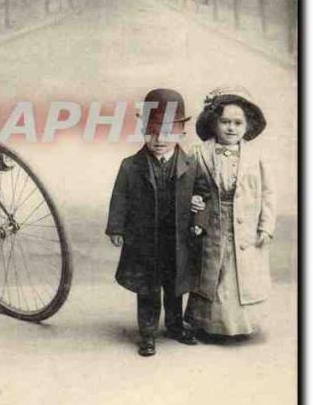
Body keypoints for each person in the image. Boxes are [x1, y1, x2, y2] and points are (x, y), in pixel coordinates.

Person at [105, 88, 199, 357]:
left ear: (181, 133)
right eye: (152, 131)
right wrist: (116, 228)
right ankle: (147, 334)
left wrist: (198, 218)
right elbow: (119, 198)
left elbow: (202, 194)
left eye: (167, 132)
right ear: (143, 130)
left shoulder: (191, 165)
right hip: (144, 241)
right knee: (147, 288)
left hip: (177, 239)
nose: (159, 139)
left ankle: (174, 326)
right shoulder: (130, 166)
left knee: (174, 286)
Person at [185, 86, 275, 340]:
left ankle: (242, 325)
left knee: (240, 274)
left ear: (247, 126)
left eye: (238, 123)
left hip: (245, 226)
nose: (231, 128)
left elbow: (268, 193)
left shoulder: (256, 157)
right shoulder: (199, 152)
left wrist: (266, 225)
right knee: (215, 271)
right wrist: (193, 200)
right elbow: (189, 186)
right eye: (225, 122)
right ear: (214, 123)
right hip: (212, 223)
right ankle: (209, 325)